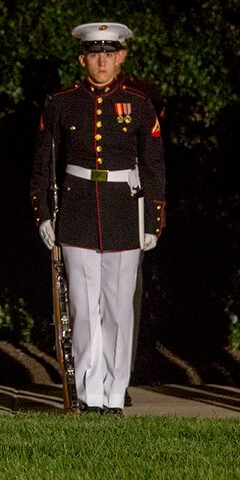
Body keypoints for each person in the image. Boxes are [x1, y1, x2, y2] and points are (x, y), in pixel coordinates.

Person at [29, 22, 165, 415]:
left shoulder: (139, 103)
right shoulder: (61, 103)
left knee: (119, 309)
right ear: (82, 58)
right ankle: (89, 395)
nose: (102, 60)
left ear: (120, 57)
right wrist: (43, 214)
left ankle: (114, 393)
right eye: (94, 53)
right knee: (84, 310)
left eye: (108, 53)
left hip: (124, 210)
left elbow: (154, 166)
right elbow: (43, 165)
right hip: (78, 209)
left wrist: (153, 219)